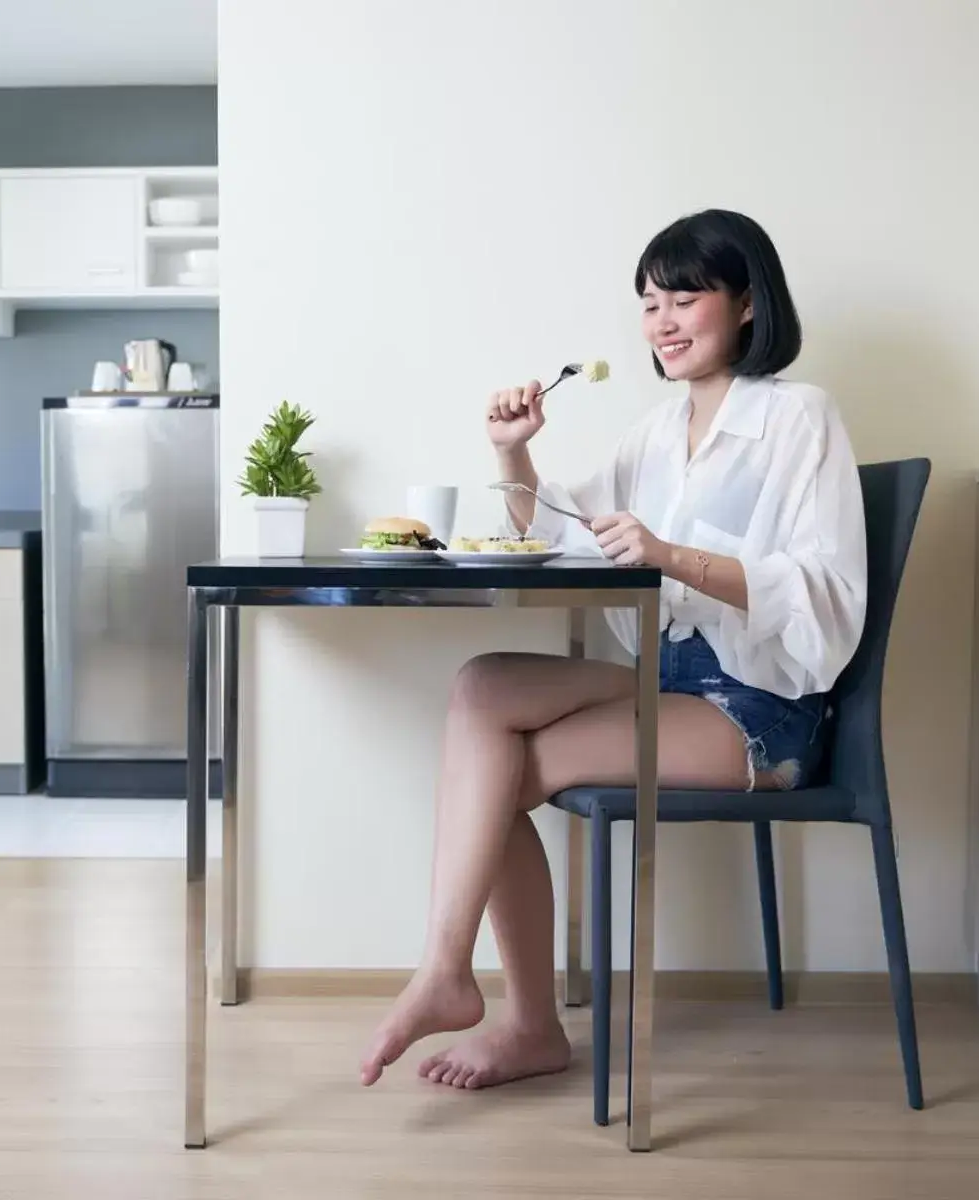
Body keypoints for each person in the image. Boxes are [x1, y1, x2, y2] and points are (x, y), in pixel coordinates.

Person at [358, 209, 867, 1090]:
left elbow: (825, 591)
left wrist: (675, 557)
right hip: (667, 685)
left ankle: (507, 1012)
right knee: (484, 687)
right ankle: (453, 977)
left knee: (500, 778)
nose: (663, 320)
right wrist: (513, 457)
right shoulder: (655, 435)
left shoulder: (800, 419)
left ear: (748, 303)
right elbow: (571, 532)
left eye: (686, 297)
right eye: (647, 303)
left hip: (758, 711)